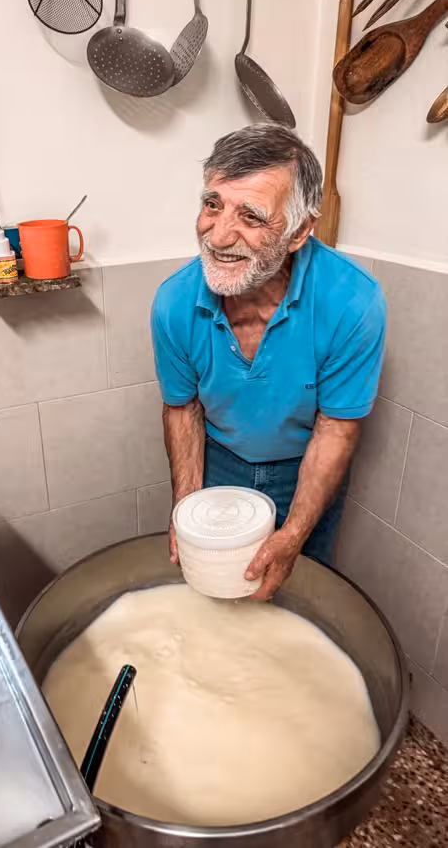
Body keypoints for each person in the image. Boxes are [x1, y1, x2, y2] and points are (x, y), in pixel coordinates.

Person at [151, 124, 386, 600]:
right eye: (212, 204)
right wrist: (185, 507)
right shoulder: (174, 302)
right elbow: (183, 408)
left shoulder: (352, 302)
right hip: (220, 462)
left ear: (300, 231)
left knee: (296, 593)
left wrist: (295, 532)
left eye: (251, 216)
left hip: (305, 471)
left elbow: (336, 429)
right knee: (213, 591)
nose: (217, 235)